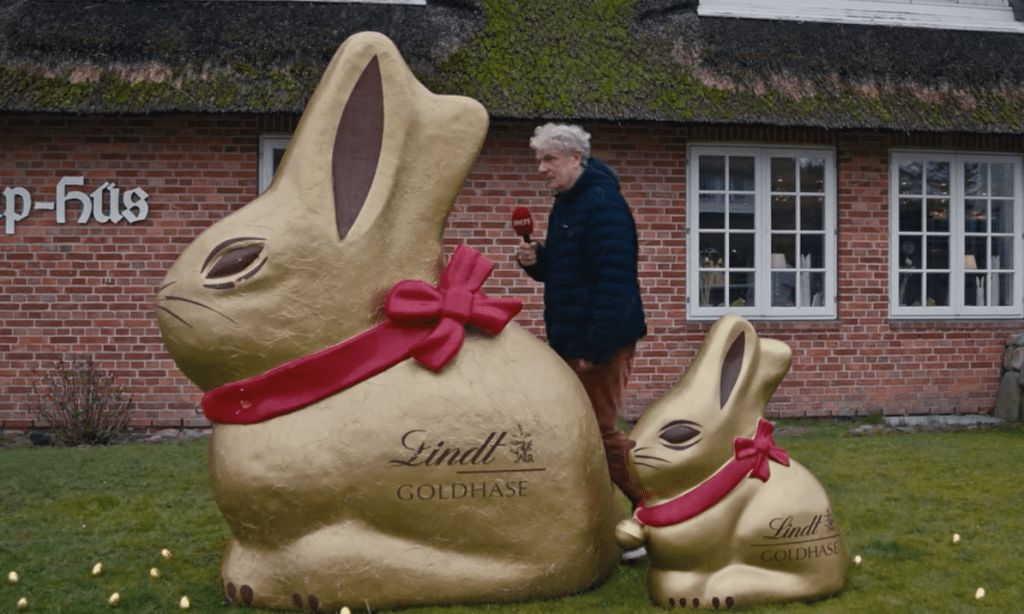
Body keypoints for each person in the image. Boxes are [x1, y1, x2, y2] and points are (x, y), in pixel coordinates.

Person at [516, 123, 648, 515]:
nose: (541, 169)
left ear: (576, 158)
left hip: (598, 343)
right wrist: (540, 260)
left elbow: (615, 281)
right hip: (573, 340)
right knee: (581, 433)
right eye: (539, 160)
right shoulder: (568, 202)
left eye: (549, 159)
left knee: (600, 434)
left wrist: (597, 348)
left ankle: (665, 510)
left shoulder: (604, 203)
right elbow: (572, 272)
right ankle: (593, 519)